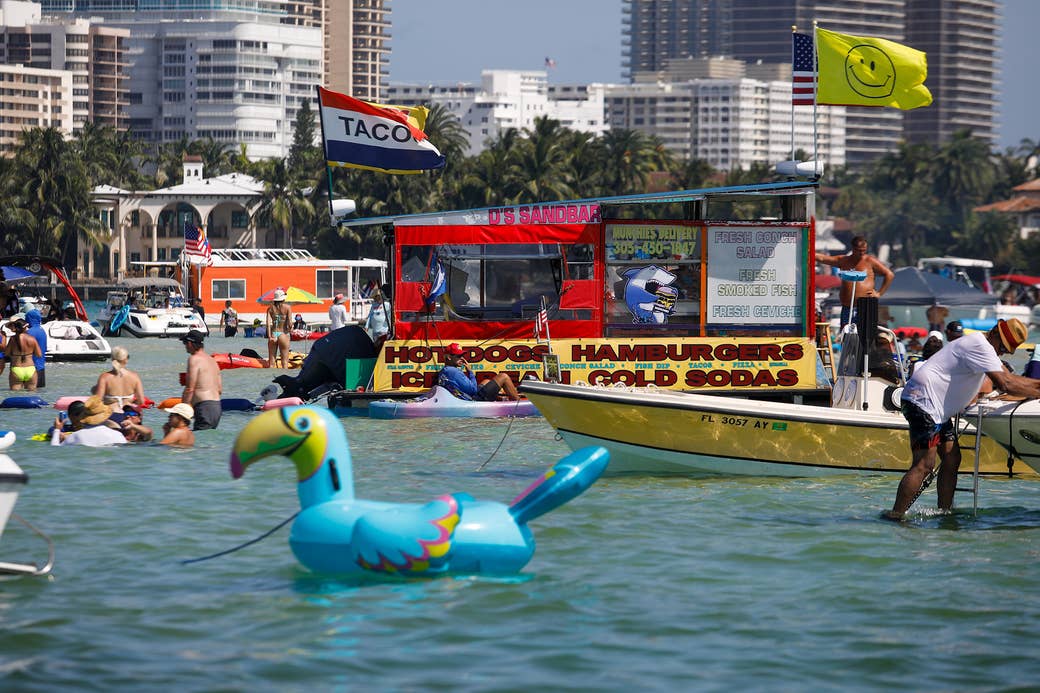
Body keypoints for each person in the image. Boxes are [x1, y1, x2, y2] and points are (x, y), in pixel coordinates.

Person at [884, 318, 1040, 521]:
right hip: (922, 401)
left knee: (952, 457)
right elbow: (1006, 384)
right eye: (1003, 346)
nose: (1004, 352)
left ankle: (944, 513)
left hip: (936, 408)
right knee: (924, 465)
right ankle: (895, 516)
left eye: (1008, 350)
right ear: (993, 333)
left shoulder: (984, 346)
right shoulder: (980, 345)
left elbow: (1012, 378)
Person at [815, 236, 894, 327]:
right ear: (853, 248)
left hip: (865, 306)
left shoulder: (870, 261)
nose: (862, 253)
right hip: (847, 307)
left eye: (864, 250)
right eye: (859, 250)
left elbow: (889, 274)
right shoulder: (844, 260)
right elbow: (823, 258)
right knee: (846, 333)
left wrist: (879, 293)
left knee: (865, 336)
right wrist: (809, 252)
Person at [437, 342, 520, 401]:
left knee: (486, 381)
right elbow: (473, 390)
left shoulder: (444, 370)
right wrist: (470, 372)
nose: (462, 358)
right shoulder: (454, 372)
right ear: (449, 357)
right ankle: (518, 403)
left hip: (461, 397)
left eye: (462, 355)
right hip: (474, 400)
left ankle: (501, 398)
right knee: (503, 376)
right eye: (459, 356)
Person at [180, 329, 222, 430]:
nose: (185, 345)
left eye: (185, 343)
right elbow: (219, 390)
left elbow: (190, 388)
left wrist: (181, 411)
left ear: (190, 343)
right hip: (217, 407)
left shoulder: (194, 359)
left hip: (204, 407)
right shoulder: (213, 361)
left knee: (198, 444)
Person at [51, 396, 126, 446]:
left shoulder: (76, 436)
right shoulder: (117, 435)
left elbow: (55, 450)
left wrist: (57, 430)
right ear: (104, 417)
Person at [5, 317, 41, 390]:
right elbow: (39, 354)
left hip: (16, 368)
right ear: (24, 328)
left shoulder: (12, 339)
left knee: (14, 397)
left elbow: (7, 353)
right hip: (30, 368)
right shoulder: (32, 339)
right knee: (31, 395)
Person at [266, 289, 292, 368]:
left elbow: (268, 324)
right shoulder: (287, 307)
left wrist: (270, 336)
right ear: (283, 298)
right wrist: (290, 329)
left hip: (273, 334)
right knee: (284, 363)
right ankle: (283, 379)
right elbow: (290, 323)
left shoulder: (270, 309)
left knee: (271, 364)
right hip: (283, 333)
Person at [24, 309, 47, 388]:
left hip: (31, 367)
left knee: (28, 393)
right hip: (41, 367)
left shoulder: (29, 332)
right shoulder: (42, 330)